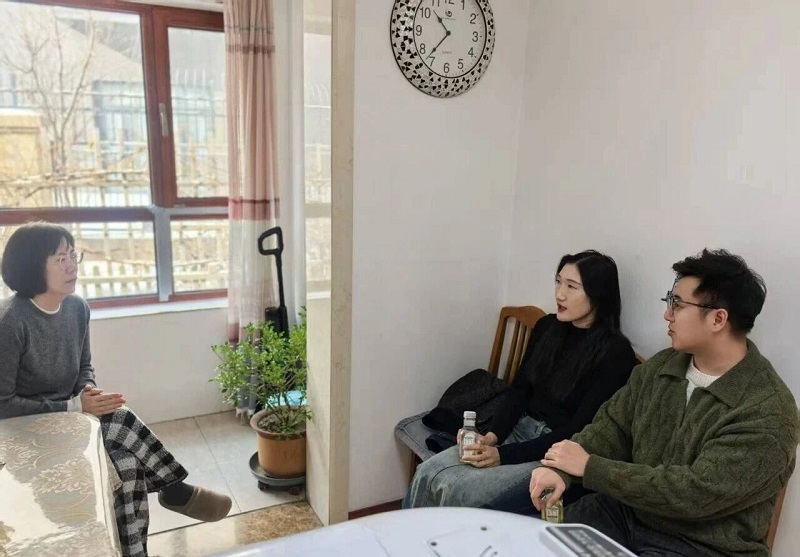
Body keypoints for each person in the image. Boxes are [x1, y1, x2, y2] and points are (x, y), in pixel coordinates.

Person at [530, 249, 799, 557]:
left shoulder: (768, 411)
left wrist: (590, 468)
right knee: (534, 544)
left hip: (701, 546)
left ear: (718, 318)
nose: (667, 315)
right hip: (626, 514)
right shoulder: (664, 365)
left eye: (677, 304)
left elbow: (693, 494)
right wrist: (562, 470)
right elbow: (613, 426)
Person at [0, 222, 233, 557]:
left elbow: (84, 367)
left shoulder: (77, 308)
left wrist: (89, 395)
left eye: (73, 255)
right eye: (60, 259)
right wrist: (75, 407)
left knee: (127, 466)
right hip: (28, 429)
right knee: (120, 416)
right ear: (31, 266)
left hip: (73, 418)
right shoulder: (10, 323)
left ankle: (138, 550)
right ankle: (173, 488)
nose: (72, 266)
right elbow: (4, 405)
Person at [404, 250, 637, 511]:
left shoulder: (616, 354)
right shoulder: (548, 327)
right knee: (428, 472)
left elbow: (578, 431)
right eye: (558, 282)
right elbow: (519, 391)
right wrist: (491, 437)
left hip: (554, 452)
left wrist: (502, 456)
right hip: (516, 428)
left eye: (571, 287)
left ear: (599, 295)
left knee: (461, 493)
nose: (560, 294)